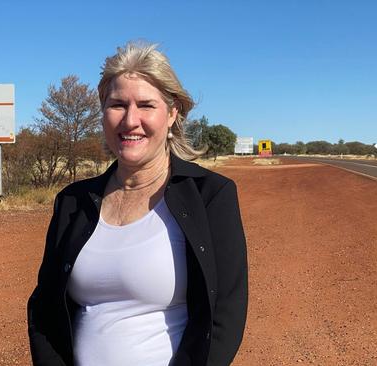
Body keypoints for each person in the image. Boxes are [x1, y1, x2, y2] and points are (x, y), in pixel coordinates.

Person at [27, 42, 248, 366]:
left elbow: (224, 317)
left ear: (172, 113)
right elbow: (45, 311)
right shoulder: (73, 202)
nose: (130, 120)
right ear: (103, 111)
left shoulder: (210, 196)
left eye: (146, 105)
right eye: (117, 104)